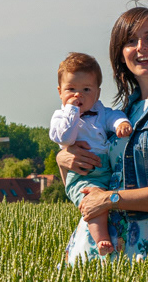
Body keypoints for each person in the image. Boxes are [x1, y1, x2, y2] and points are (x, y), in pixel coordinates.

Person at [58, 5, 148, 265]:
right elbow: (83, 188)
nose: (140, 47)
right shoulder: (122, 110)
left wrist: (110, 199)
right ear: (121, 53)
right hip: (95, 244)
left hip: (147, 244)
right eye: (130, 41)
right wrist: (63, 161)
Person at [50, 52, 133, 256]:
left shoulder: (100, 111)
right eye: (71, 89)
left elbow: (113, 116)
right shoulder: (60, 117)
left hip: (105, 170)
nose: (78, 95)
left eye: (86, 90)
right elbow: (65, 138)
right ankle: (101, 239)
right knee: (93, 203)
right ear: (60, 92)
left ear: (97, 93)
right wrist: (72, 112)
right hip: (82, 175)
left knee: (102, 199)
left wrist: (121, 123)